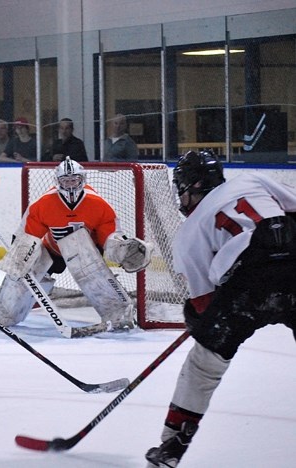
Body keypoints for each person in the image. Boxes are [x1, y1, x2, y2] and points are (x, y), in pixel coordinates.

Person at [145, 150, 296, 467]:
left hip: (248, 284)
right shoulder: (252, 180)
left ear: (190, 186)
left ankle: (173, 444)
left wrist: (200, 322)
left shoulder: (190, 232)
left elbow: (204, 302)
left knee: (204, 364)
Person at [0, 157, 150, 331]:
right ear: (57, 182)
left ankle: (118, 315)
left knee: (94, 272)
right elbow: (26, 236)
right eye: (66, 181)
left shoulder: (98, 204)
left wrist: (120, 248)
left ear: (83, 179)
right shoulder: (43, 204)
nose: (71, 185)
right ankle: (4, 314)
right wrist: (20, 258)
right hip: (53, 251)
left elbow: (109, 236)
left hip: (86, 252)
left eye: (75, 180)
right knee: (22, 271)